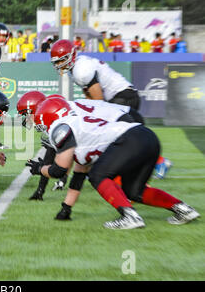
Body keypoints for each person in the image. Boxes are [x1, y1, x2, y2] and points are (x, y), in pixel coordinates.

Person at [27, 98, 200, 229]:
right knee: (134, 191)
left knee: (98, 175)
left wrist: (38, 169)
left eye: (42, 125)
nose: (43, 129)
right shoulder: (81, 129)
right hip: (147, 137)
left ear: (50, 118)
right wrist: (66, 209)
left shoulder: (61, 126)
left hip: (130, 139)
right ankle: (183, 209)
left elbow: (59, 170)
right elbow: (78, 175)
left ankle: (130, 216)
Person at [50, 39, 172, 179]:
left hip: (123, 97)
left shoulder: (81, 70)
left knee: (118, 138)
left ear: (71, 55)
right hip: (122, 97)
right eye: (57, 61)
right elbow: (90, 97)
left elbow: (98, 101)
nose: (59, 64)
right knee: (120, 138)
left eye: (62, 60)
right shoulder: (77, 68)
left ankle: (155, 163)